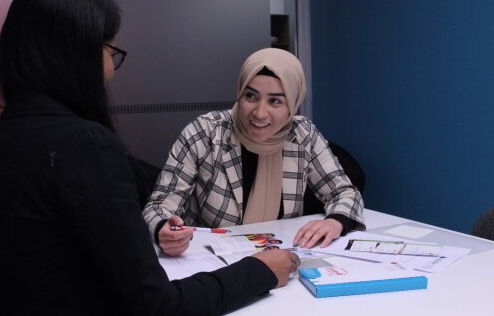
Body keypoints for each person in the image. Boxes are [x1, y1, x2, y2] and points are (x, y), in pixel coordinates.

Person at [0, 0, 300, 316]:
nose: (261, 113)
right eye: (110, 51)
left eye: (277, 101)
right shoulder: (93, 144)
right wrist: (259, 271)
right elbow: (156, 302)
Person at [143, 48, 366, 257]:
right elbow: (158, 206)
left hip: (281, 258)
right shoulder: (205, 133)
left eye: (275, 101)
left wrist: (336, 221)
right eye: (251, 96)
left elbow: (345, 192)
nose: (260, 113)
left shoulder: (303, 135)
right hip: (211, 260)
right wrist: (163, 228)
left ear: (293, 103)